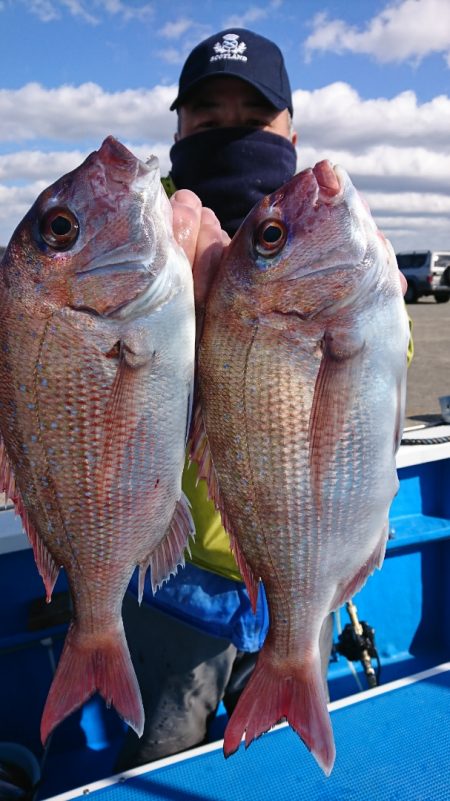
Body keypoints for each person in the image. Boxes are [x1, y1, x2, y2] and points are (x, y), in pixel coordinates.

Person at [116, 28, 300, 771]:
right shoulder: (135, 235)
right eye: (206, 113)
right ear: (178, 128)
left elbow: (383, 372)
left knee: (282, 756)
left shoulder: (319, 231)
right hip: (171, 572)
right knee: (165, 748)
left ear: (290, 130)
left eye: (253, 116)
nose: (229, 128)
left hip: (297, 562)